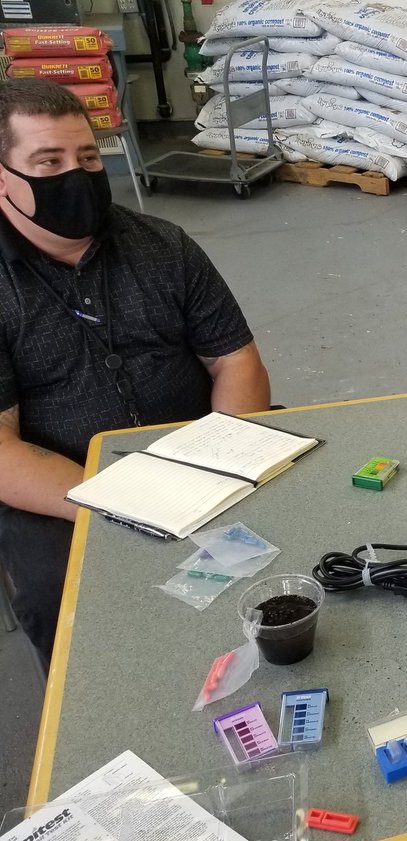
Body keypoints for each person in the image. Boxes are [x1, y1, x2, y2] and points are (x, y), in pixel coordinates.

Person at [0, 78, 271, 669]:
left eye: (89, 157)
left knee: (285, 539)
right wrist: (116, 506)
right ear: (3, 178)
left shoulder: (162, 245)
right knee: (59, 599)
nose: (76, 175)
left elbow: (235, 360)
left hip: (200, 455)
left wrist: (221, 463)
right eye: (49, 161)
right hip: (67, 488)